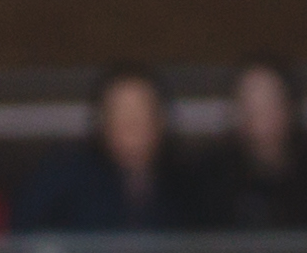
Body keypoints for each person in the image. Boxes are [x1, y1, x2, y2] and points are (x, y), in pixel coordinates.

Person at [13, 64, 194, 236]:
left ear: (161, 120)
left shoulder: (187, 185)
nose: (132, 123)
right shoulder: (64, 179)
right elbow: (25, 240)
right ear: (102, 122)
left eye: (141, 112)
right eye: (120, 113)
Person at [202, 58, 307, 231]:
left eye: (270, 104)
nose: (261, 117)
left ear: (290, 108)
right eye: (251, 106)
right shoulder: (208, 186)